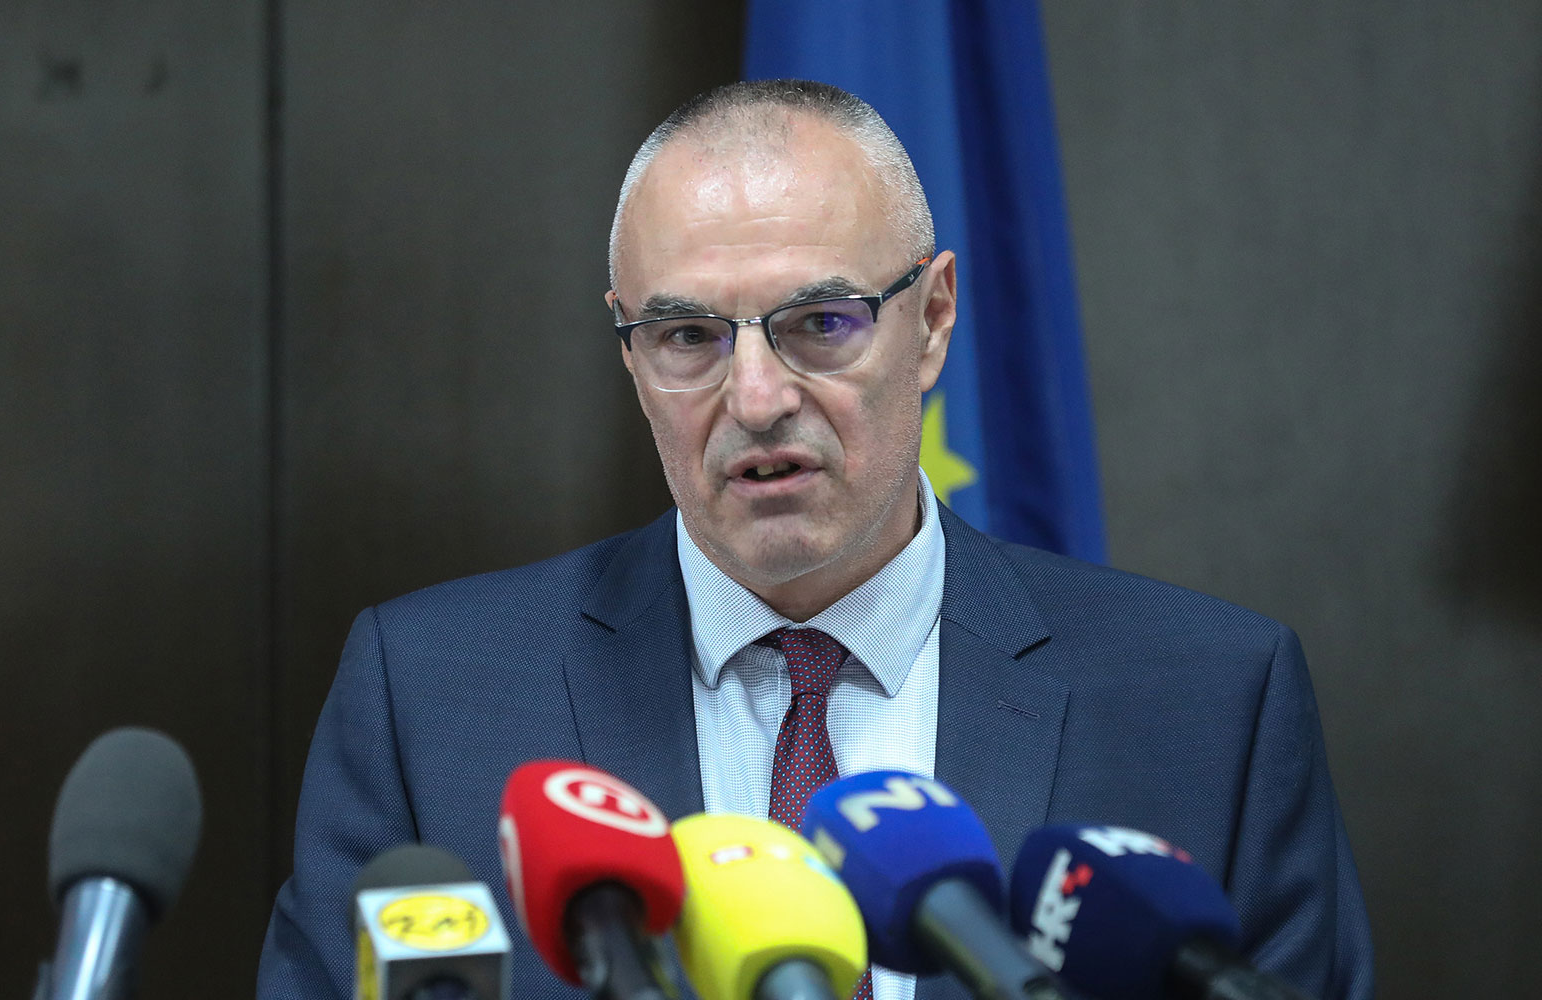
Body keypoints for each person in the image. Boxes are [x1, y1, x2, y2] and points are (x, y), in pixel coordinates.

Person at [257, 79, 1373, 1000]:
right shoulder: (432, 695)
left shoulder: (1208, 704)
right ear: (628, 354)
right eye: (686, 335)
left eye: (821, 322)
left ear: (932, 318)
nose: (755, 397)